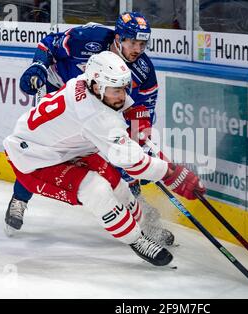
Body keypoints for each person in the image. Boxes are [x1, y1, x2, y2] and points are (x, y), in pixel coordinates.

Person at [3, 52, 205, 266]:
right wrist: (171, 173)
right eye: (116, 90)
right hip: (34, 159)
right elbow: (135, 165)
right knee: (96, 189)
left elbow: (125, 104)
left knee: (118, 185)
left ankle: (146, 226)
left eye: (123, 89)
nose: (121, 95)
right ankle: (137, 239)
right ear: (97, 86)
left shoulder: (83, 81)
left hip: (67, 148)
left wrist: (138, 118)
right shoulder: (96, 116)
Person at [9, 12, 160, 234]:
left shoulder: (143, 71)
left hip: (97, 107)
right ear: (118, 38)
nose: (138, 49)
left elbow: (142, 110)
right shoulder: (88, 38)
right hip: (60, 93)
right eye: (133, 42)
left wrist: (141, 143)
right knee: (43, 149)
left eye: (142, 44)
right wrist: (39, 66)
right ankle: (19, 199)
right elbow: (49, 44)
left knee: (122, 152)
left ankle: (138, 211)